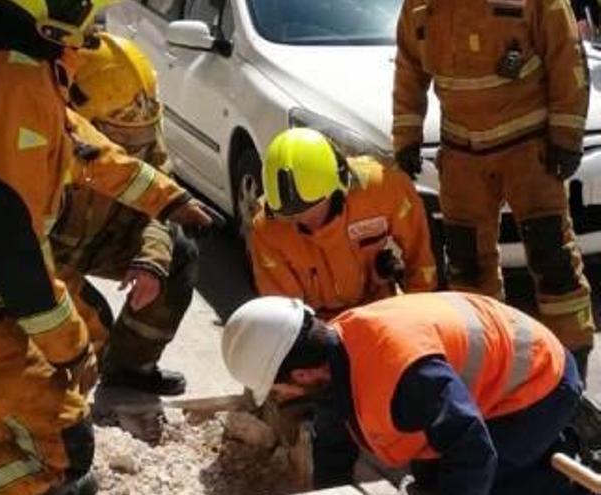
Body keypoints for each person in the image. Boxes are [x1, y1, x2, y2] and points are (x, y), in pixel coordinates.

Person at [0, 1, 215, 493]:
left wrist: (167, 199)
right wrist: (69, 345)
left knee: (72, 378)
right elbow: (11, 246)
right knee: (60, 450)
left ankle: (31, 448)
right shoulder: (13, 88)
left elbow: (87, 149)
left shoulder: (6, 70)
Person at [392, 0, 595, 379]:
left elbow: (566, 57)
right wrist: (406, 138)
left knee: (554, 260)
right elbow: (408, 71)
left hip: (528, 152)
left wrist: (566, 137)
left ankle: (572, 366)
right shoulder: (419, 6)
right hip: (463, 158)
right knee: (468, 268)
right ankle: (490, 362)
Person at [222, 293, 587, 495]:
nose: (280, 395)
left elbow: (473, 450)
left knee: (485, 480)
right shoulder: (333, 356)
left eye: (278, 386)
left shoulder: (403, 371)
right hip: (483, 385)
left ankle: (558, 479)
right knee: (434, 481)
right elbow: (333, 440)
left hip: (538, 381)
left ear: (301, 373)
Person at [52, 32, 199, 396]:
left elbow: (161, 200)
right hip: (40, 256)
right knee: (88, 326)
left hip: (99, 237)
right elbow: (15, 251)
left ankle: (130, 367)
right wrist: (86, 319)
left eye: (139, 140)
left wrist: (152, 261)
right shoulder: (39, 140)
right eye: (118, 139)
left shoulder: (140, 122)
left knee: (178, 252)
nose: (130, 150)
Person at [249, 127, 438, 319]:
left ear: (338, 187)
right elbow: (285, 318)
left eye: (314, 211)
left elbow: (421, 258)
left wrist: (419, 314)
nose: (307, 222)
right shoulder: (269, 232)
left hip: (381, 312)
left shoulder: (383, 188)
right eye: (294, 217)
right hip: (321, 328)